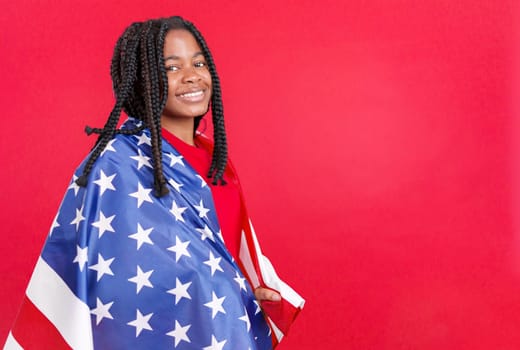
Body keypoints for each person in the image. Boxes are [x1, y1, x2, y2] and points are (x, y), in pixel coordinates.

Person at [5, 16, 304, 350]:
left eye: (199, 62)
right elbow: (115, 281)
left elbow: (221, 256)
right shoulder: (116, 164)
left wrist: (248, 292)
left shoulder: (216, 161)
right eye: (172, 67)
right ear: (141, 80)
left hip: (225, 331)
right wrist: (218, 290)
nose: (192, 76)